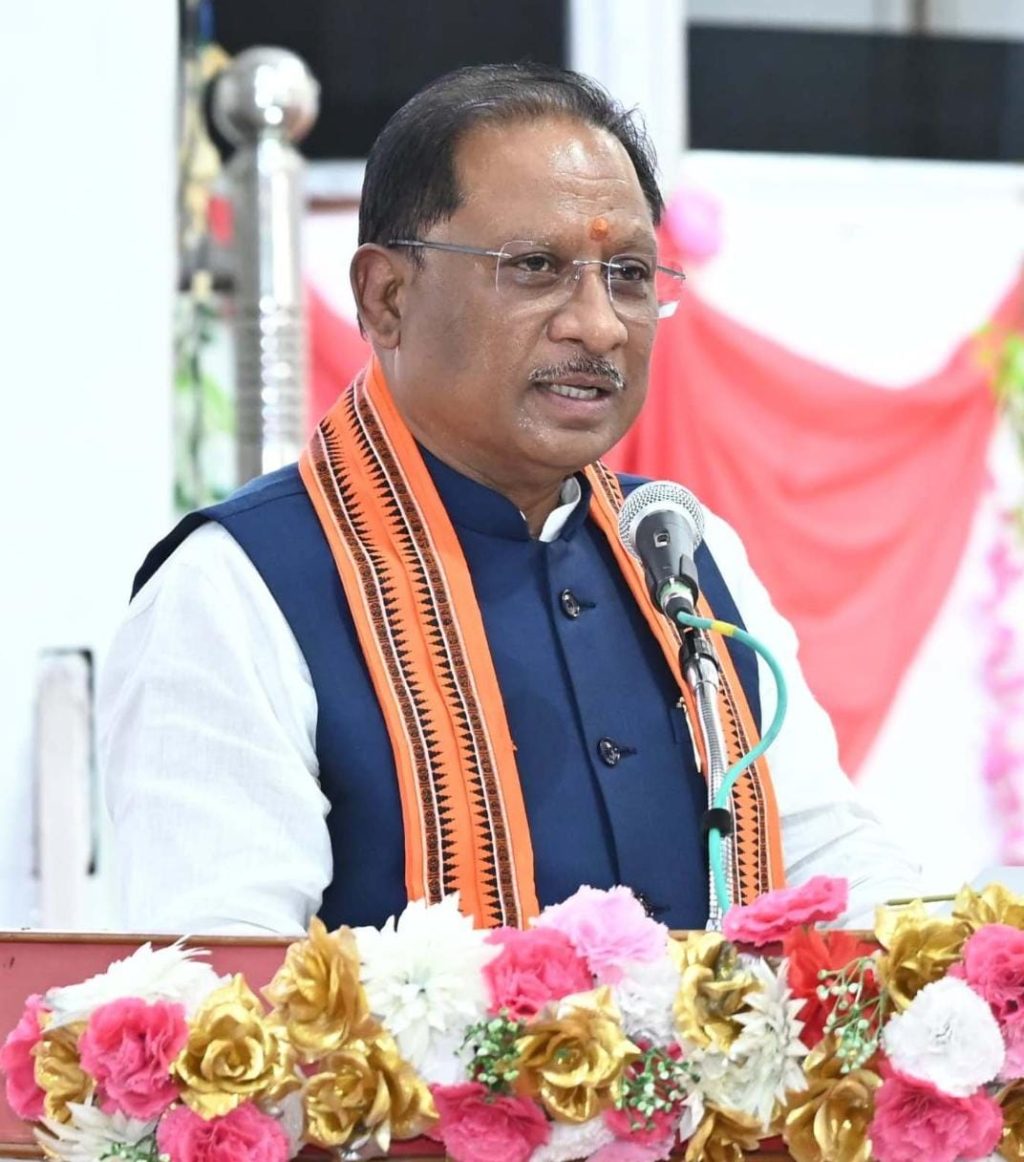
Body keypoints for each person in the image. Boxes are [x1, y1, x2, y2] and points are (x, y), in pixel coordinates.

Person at [100, 63, 919, 936]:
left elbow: (828, 861)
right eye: (534, 266)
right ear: (387, 298)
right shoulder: (236, 589)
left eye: (630, 273)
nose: (599, 325)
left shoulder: (680, 550)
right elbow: (226, 979)